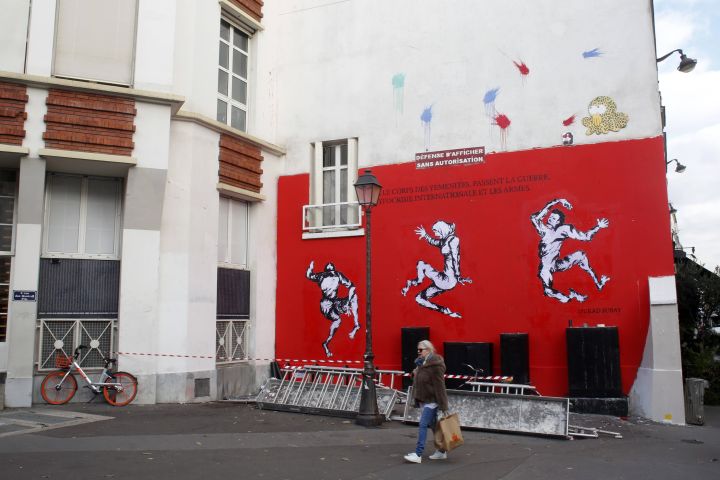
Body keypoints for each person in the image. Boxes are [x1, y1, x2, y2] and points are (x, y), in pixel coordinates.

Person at [530, 198, 610, 303]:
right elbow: (534, 218)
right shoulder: (544, 231)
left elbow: (586, 237)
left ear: (559, 222)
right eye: (550, 217)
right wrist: (558, 201)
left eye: (554, 219)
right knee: (549, 291)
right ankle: (571, 296)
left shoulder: (564, 230)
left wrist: (598, 227)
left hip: (557, 264)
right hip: (546, 268)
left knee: (581, 255)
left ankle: (598, 284)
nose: (549, 219)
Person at [401, 220, 471, 318]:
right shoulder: (445, 241)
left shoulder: (453, 240)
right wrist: (425, 235)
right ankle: (446, 311)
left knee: (421, 264)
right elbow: (433, 241)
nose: (435, 234)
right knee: (419, 298)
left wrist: (458, 276)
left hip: (448, 279)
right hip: (444, 280)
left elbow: (456, 258)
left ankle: (416, 282)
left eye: (436, 232)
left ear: (442, 230)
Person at [404, 340, 449, 464]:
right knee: (434, 426)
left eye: (421, 350)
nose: (418, 352)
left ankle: (418, 454)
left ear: (429, 350)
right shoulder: (421, 363)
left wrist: (444, 406)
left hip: (432, 401)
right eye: (417, 350)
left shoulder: (435, 365)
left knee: (423, 424)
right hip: (424, 400)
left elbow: (440, 386)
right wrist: (415, 374)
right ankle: (441, 451)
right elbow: (420, 380)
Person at [306, 261, 360, 357]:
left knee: (354, 297)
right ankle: (326, 343)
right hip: (326, 305)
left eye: (332, 271)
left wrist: (348, 303)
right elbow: (309, 275)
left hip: (335, 301)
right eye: (329, 271)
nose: (331, 274)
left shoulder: (338, 275)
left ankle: (356, 325)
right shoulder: (321, 276)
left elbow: (352, 286)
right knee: (337, 320)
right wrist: (310, 267)